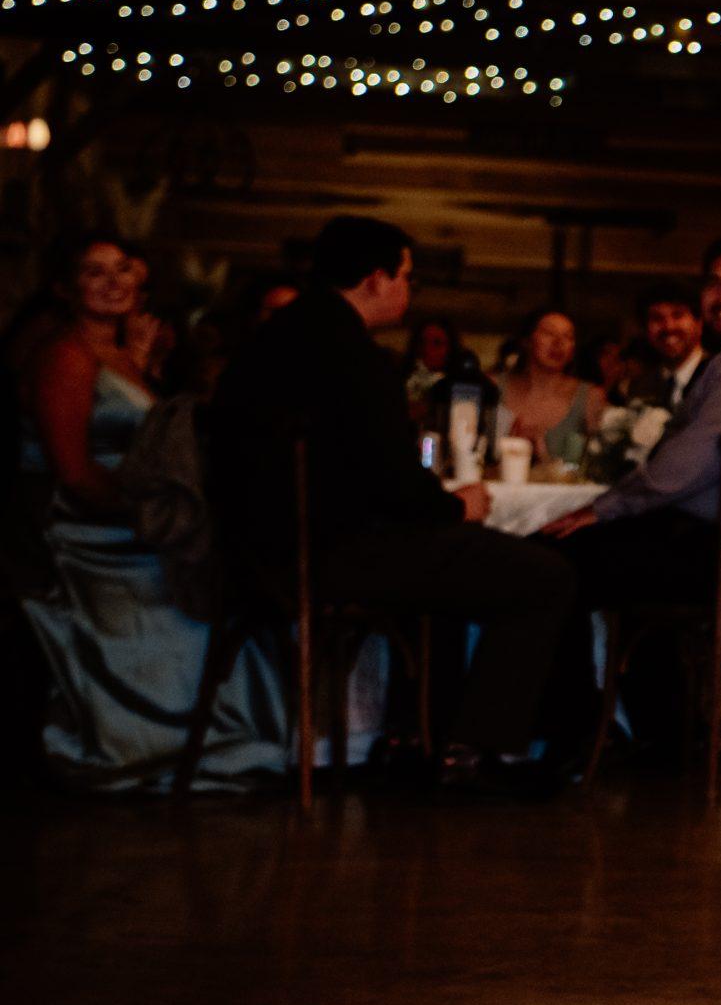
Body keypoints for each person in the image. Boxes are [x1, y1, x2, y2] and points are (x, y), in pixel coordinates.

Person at [209, 216, 577, 793]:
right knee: (541, 572)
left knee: (460, 561)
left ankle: (416, 731)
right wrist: (457, 508)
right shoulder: (352, 355)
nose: (409, 291)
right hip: (321, 554)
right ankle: (476, 750)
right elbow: (389, 482)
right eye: (407, 276)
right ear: (377, 279)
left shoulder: (275, 339)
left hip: (254, 545)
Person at [542, 241, 721, 754]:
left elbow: (682, 468)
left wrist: (600, 508)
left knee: (558, 565)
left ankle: (578, 734)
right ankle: (661, 732)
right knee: (616, 552)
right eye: (715, 284)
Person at [20, 232, 285, 790]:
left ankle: (229, 739)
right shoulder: (64, 355)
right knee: (198, 584)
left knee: (229, 575)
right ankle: (170, 746)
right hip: (93, 534)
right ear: (67, 288)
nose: (114, 281)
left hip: (135, 518)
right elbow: (74, 472)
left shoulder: (122, 356)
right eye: (96, 272)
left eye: (122, 269)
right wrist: (158, 517)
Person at [494, 309, 603, 470]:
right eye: (549, 333)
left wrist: (544, 456)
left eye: (568, 337)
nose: (558, 343)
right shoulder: (493, 387)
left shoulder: (590, 396)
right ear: (527, 341)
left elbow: (599, 467)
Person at [626, 283, 706, 408]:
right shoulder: (641, 386)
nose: (668, 327)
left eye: (678, 315)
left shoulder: (719, 377)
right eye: (657, 318)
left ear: (699, 323)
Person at [400, 315, 460, 421]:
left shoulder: (458, 387)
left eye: (437, 343)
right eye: (422, 342)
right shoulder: (399, 380)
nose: (427, 349)